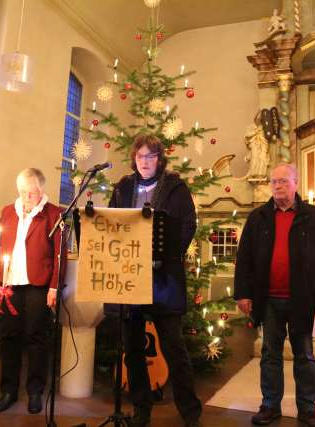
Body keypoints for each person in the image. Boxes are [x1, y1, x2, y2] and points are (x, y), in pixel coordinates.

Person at [234, 163, 315, 427]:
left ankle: (307, 408)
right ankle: (270, 405)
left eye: (283, 181)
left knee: (304, 355)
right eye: (274, 182)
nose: (278, 186)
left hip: (302, 299)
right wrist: (243, 294)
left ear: (296, 183)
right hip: (267, 298)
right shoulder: (257, 217)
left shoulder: (313, 217)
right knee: (270, 354)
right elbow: (244, 258)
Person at [109, 134, 202, 427]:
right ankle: (141, 410)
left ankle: (190, 413)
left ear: (159, 159)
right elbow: (111, 223)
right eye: (140, 157)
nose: (145, 162)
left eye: (150, 157)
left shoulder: (175, 187)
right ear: (134, 159)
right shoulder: (123, 187)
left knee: (174, 348)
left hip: (164, 280)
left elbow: (187, 225)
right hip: (130, 279)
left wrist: (167, 252)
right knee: (133, 350)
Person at [0, 168, 64, 414]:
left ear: (41, 190)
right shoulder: (9, 211)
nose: (27, 197)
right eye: (22, 192)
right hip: (11, 283)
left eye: (31, 192)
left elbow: (61, 254)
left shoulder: (53, 214)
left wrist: (54, 286)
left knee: (35, 337)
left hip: (39, 285)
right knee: (10, 336)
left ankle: (36, 391)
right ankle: (8, 390)